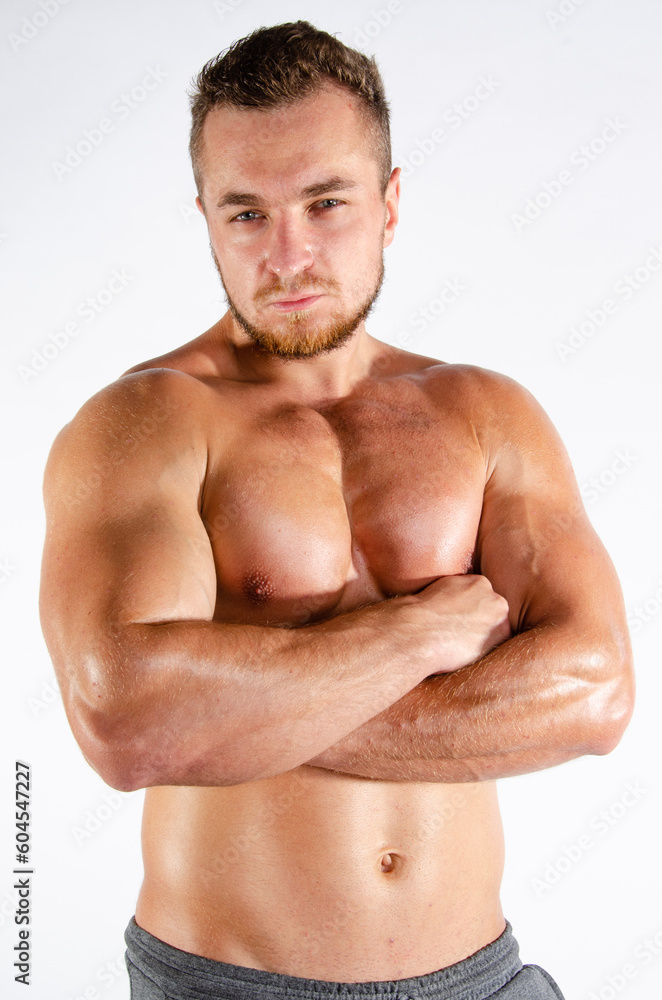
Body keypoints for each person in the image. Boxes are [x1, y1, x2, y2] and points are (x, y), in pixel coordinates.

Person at [39, 20, 634, 1000]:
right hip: (230, 984)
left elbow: (594, 692)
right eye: (245, 215)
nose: (287, 254)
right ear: (203, 216)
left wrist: (237, 713)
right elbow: (123, 718)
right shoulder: (142, 424)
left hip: (477, 976)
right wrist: (413, 634)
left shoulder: (484, 412)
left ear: (390, 203)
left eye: (324, 203)